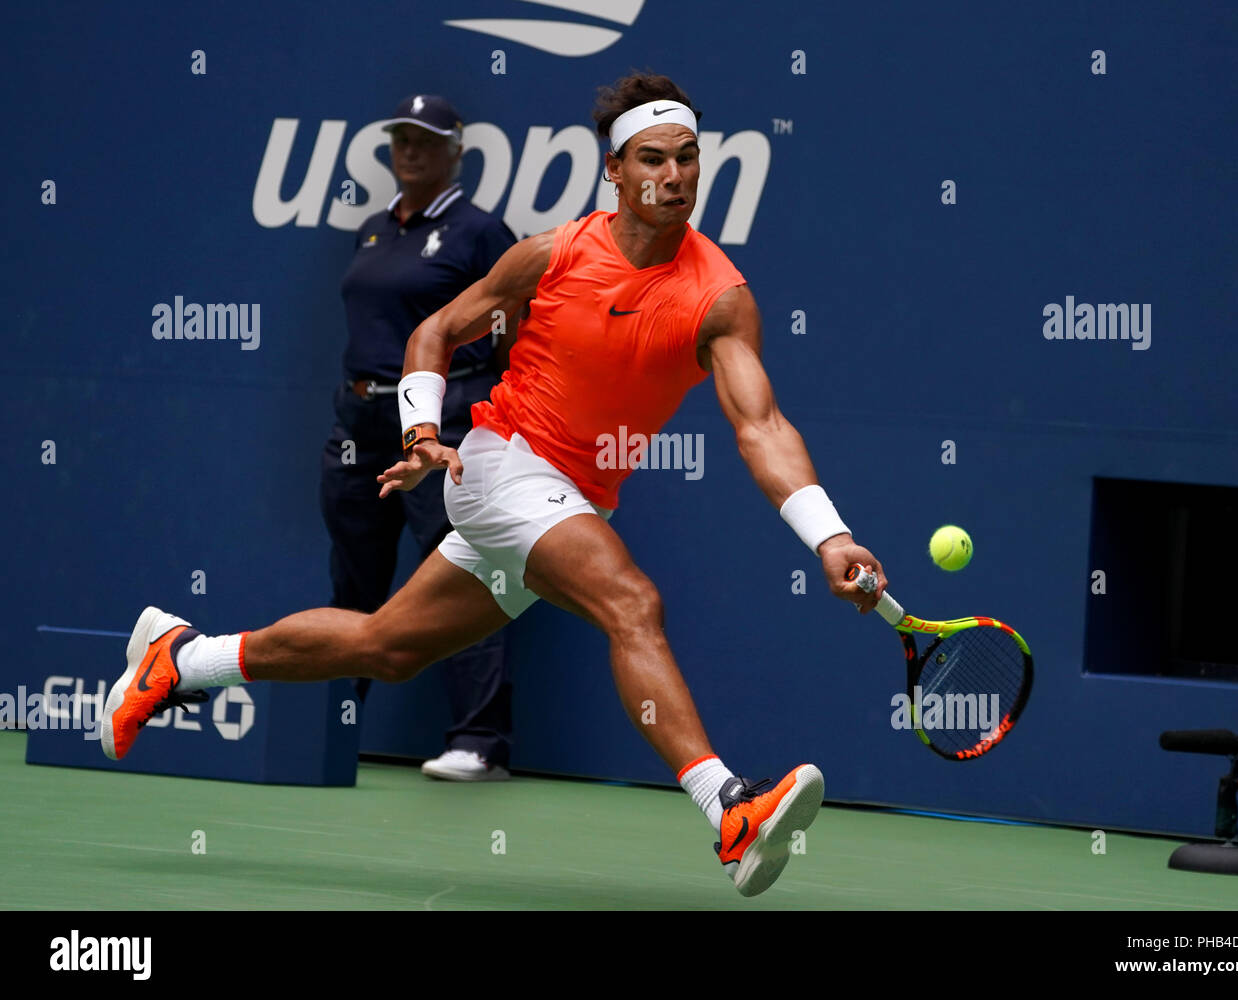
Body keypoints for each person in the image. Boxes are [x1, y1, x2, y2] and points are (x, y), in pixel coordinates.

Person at [101, 72, 889, 898]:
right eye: (653, 158)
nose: (675, 176)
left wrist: (829, 536)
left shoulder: (718, 298)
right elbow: (436, 331)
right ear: (613, 171)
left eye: (689, 158)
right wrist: (422, 430)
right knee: (631, 601)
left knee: (389, 647)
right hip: (501, 464)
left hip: (572, 496)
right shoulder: (552, 255)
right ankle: (728, 807)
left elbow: (760, 427)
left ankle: (183, 659)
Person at [322, 94, 516, 781]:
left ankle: (479, 742)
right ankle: (329, 731)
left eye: (426, 140)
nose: (410, 150)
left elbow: (513, 329)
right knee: (355, 579)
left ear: (455, 150)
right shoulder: (373, 229)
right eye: (401, 138)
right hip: (358, 424)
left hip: (441, 422)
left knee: (456, 575)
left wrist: (469, 407)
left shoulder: (479, 231)